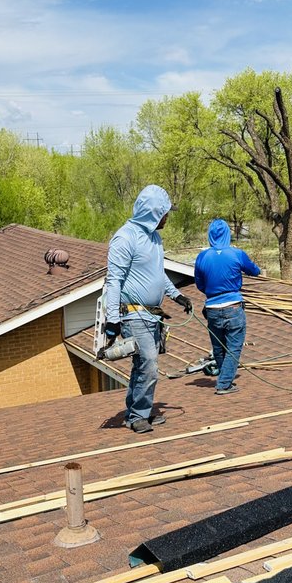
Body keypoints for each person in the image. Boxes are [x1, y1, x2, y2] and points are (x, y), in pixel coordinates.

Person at [105, 185, 193, 433]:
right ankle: (137, 416)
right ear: (153, 213)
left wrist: (177, 296)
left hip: (152, 315)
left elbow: (158, 274)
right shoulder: (125, 238)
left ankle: (138, 411)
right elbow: (114, 281)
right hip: (133, 314)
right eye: (165, 212)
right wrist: (112, 320)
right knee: (149, 364)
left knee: (143, 365)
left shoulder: (154, 238)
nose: (167, 217)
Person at [194, 219, 261, 395]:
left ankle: (224, 379)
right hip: (233, 306)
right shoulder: (236, 254)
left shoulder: (202, 257)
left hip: (212, 308)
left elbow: (199, 284)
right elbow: (254, 271)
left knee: (218, 347)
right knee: (234, 346)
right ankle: (224, 384)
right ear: (227, 234)